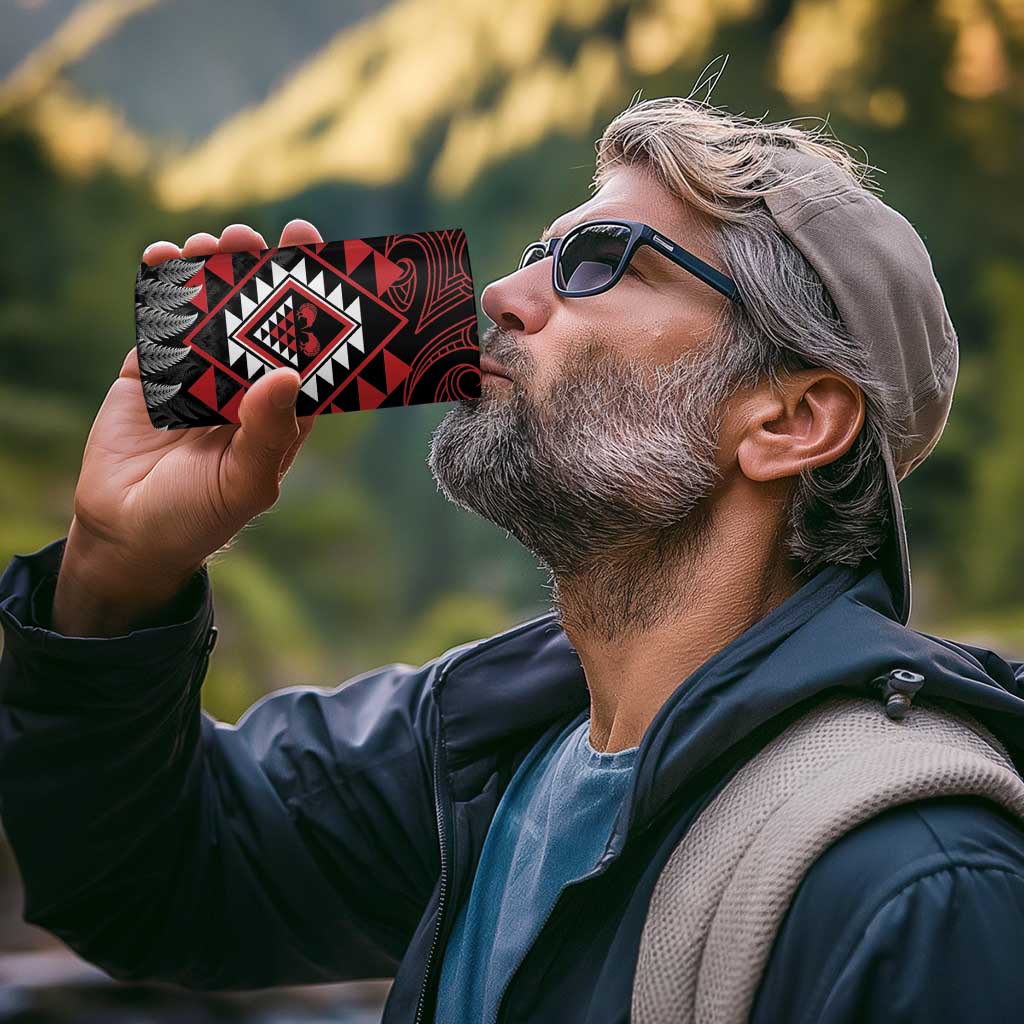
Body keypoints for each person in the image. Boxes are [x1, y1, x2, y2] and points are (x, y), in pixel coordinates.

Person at [2, 94, 1024, 1024]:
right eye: (540, 252)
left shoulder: (918, 884)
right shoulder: (479, 749)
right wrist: (115, 571)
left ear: (790, 419)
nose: (500, 292)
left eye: (599, 261)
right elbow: (149, 880)